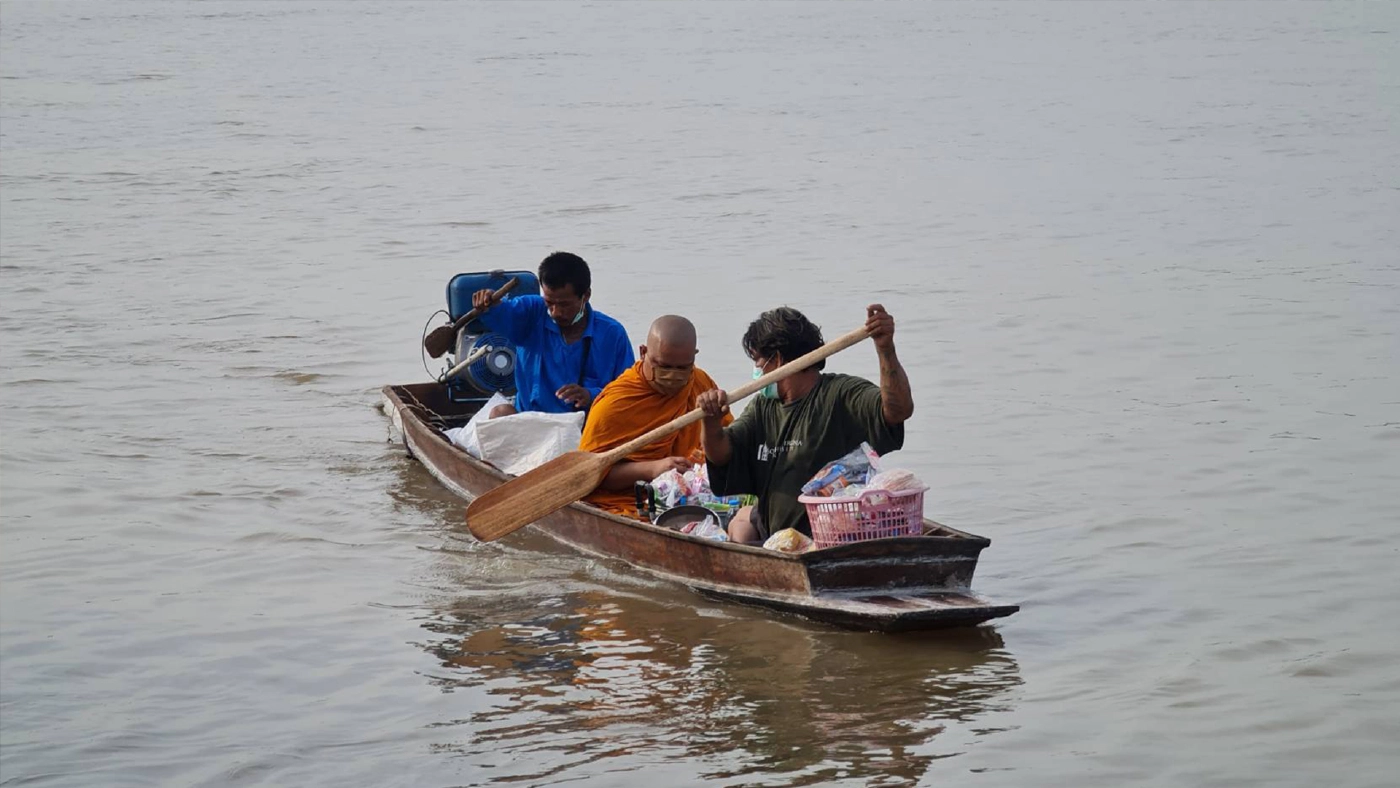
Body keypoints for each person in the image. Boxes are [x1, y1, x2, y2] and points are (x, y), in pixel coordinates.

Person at [697, 304, 913, 542]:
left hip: (833, 537)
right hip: (778, 539)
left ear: (777, 360)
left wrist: (886, 350)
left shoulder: (841, 394)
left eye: (758, 364)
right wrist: (711, 422)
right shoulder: (763, 407)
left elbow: (897, 411)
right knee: (741, 522)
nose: (756, 372)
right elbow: (722, 454)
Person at [577, 315, 732, 518]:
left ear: (693, 357)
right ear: (643, 352)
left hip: (692, 495)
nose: (673, 375)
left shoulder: (701, 383)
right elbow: (589, 476)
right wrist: (652, 469)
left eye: (683, 368)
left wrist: (712, 420)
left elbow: (727, 447)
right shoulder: (615, 404)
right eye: (664, 366)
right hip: (631, 501)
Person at [472, 252, 634, 418]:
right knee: (500, 412)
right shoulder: (532, 312)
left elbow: (627, 392)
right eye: (549, 303)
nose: (556, 312)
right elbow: (502, 312)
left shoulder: (612, 334)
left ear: (585, 296)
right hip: (531, 424)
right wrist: (488, 302)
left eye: (564, 305)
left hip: (586, 430)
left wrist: (591, 395)